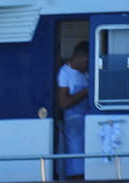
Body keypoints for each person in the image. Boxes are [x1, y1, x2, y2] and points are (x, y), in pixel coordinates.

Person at [58, 41, 90, 180]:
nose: (88, 65)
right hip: (73, 124)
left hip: (86, 121)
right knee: (76, 160)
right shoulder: (64, 74)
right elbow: (63, 103)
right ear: (79, 58)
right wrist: (85, 91)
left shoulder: (85, 74)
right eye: (87, 61)